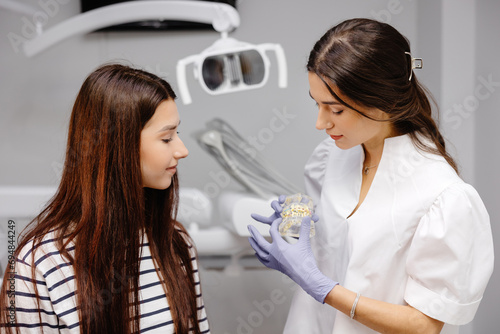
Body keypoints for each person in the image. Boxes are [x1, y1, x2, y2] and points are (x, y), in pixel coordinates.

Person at [248, 18, 494, 334]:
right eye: (317, 105)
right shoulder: (331, 157)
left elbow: (424, 325)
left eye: (335, 110)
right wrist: (297, 238)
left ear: (382, 104)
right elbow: (341, 252)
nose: (320, 123)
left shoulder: (443, 198)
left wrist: (320, 285)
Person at [0, 64, 210, 333]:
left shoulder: (176, 245)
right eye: (167, 138)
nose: (182, 150)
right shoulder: (37, 267)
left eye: (176, 133)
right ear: (119, 147)